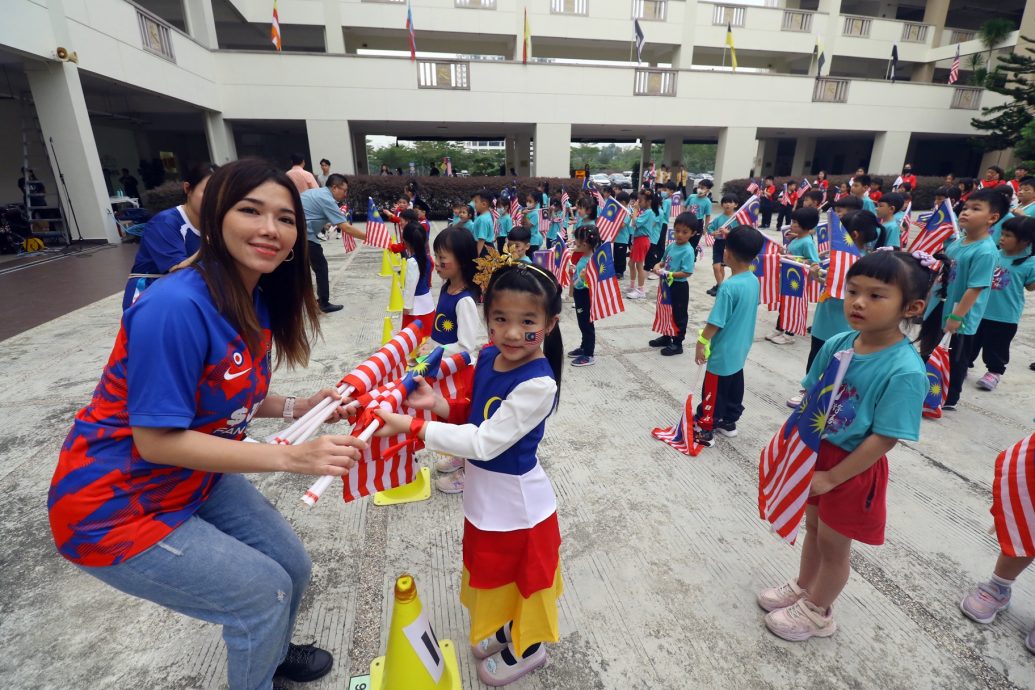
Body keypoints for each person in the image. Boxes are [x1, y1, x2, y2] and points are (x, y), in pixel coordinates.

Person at [48, 159, 366, 690]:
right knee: (265, 593)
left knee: (293, 569)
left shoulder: (255, 296)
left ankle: (269, 651)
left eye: (285, 219)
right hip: (116, 506)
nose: (270, 228)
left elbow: (234, 393)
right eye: (251, 211)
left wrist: (304, 407)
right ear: (215, 217)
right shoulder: (173, 306)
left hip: (193, 480)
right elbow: (156, 440)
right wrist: (289, 456)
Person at [373, 257, 564, 686]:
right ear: (486, 317)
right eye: (500, 318)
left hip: (520, 508)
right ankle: (508, 628)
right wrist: (438, 406)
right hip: (485, 497)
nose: (513, 332)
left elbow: (484, 442)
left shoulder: (539, 384)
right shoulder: (492, 355)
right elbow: (477, 415)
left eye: (527, 321)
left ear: (549, 324)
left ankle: (528, 648)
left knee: (525, 580)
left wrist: (412, 425)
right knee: (493, 574)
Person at [759, 250, 931, 642]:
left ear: (912, 307)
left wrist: (833, 476)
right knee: (814, 529)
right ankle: (805, 586)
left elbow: (886, 436)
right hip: (816, 453)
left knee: (835, 544)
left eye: (876, 295)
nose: (857, 302)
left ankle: (819, 611)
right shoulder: (838, 341)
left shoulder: (905, 370)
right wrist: (791, 449)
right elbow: (810, 396)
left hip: (851, 466)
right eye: (853, 290)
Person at [919, 187, 1003, 410]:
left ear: (992, 218)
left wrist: (956, 317)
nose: (965, 212)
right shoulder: (958, 243)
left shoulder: (985, 251)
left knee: (954, 357)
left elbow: (975, 289)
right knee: (930, 347)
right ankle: (925, 386)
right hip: (940, 306)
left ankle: (948, 396)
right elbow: (943, 274)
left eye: (975, 209)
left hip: (959, 315)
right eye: (965, 208)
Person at [786, 210, 879, 408]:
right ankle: (809, 389)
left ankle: (835, 394)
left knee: (841, 357)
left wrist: (822, 275)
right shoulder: (837, 256)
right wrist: (816, 274)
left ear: (852, 235)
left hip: (844, 319)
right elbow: (831, 281)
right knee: (817, 353)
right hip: (826, 313)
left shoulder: (865, 262)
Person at [426, 226, 486, 494]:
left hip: (458, 372)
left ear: (461, 260)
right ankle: (459, 457)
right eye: (436, 257)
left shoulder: (465, 301)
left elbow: (466, 345)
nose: (437, 263)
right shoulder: (445, 289)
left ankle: (467, 472)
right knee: (449, 420)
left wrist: (434, 354)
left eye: (442, 258)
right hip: (442, 368)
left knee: (462, 421)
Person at [694, 225, 765, 446]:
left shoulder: (727, 287)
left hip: (723, 351)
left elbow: (716, 321)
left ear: (728, 253)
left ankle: (706, 429)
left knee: (713, 389)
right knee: (734, 384)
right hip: (741, 348)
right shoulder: (754, 281)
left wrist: (702, 341)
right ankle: (729, 421)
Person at [122, 162, 217, 311]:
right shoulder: (165, 222)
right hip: (149, 295)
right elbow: (177, 272)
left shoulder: (214, 223)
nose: (215, 199)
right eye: (208, 192)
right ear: (188, 189)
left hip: (185, 295)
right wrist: (209, 247)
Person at [967, 216, 1035, 391]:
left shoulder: (1030, 262)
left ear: (1025, 241)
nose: (1001, 238)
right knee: (971, 342)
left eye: (1008, 235)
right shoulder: (993, 254)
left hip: (1005, 315)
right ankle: (964, 364)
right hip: (980, 310)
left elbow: (1031, 287)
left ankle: (994, 372)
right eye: (1002, 234)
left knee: (996, 347)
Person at [300, 174, 367, 314]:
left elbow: (313, 214)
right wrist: (368, 237)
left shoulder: (314, 192)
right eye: (344, 190)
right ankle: (323, 303)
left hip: (295, 233)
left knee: (300, 270)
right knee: (321, 267)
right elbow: (346, 227)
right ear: (335, 187)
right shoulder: (327, 199)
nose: (345, 194)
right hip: (304, 236)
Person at [767, 207, 821, 346]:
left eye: (796, 222)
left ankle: (789, 334)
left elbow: (814, 261)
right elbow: (793, 254)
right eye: (792, 221)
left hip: (798, 281)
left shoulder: (807, 242)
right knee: (784, 304)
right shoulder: (797, 238)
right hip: (788, 277)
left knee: (794, 306)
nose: (792, 225)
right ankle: (780, 328)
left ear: (806, 225)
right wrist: (784, 251)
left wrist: (794, 259)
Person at [648, 212, 699, 356]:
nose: (680, 235)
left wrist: (670, 274)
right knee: (665, 310)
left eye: (685, 232)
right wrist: (658, 265)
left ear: (693, 233)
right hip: (666, 285)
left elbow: (687, 272)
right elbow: (664, 261)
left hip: (679, 287)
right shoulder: (671, 246)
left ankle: (677, 343)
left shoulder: (688, 251)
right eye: (677, 231)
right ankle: (666, 336)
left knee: (679, 314)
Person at [569, 225, 601, 368]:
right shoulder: (584, 255)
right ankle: (584, 346)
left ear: (585, 244)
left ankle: (589, 354)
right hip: (579, 293)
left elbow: (591, 282)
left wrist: (582, 278)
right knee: (582, 322)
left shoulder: (591, 261)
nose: (575, 242)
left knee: (587, 324)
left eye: (577, 240)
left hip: (585, 295)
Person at [400, 221, 436, 343]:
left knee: (413, 337)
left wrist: (406, 306)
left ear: (406, 242)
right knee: (427, 333)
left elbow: (410, 287)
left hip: (415, 305)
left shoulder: (412, 262)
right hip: (427, 301)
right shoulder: (428, 258)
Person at [626, 189, 658, 300]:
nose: (639, 203)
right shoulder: (646, 212)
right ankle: (633, 286)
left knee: (639, 266)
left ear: (648, 201)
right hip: (638, 240)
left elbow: (635, 222)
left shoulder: (649, 212)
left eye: (641, 201)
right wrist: (635, 214)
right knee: (631, 263)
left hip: (642, 240)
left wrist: (635, 211)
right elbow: (635, 222)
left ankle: (640, 290)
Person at [705, 194, 737, 296]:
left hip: (731, 245)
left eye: (730, 202)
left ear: (735, 204)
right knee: (716, 267)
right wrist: (713, 233)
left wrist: (728, 233)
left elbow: (741, 232)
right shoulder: (719, 218)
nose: (727, 204)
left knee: (733, 268)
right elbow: (710, 228)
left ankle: (729, 287)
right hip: (719, 244)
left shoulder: (737, 218)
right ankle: (720, 286)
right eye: (725, 202)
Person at [613, 190, 633, 280]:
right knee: (616, 255)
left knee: (621, 256)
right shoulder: (620, 211)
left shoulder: (627, 212)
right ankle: (616, 270)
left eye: (618, 202)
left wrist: (613, 223)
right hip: (617, 238)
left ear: (623, 202)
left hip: (623, 239)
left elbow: (622, 225)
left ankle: (620, 272)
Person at [471, 189, 495, 257]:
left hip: (483, 249)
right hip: (486, 247)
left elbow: (481, 239)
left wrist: (477, 254)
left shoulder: (483, 219)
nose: (474, 204)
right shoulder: (486, 215)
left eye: (476, 202)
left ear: (484, 204)